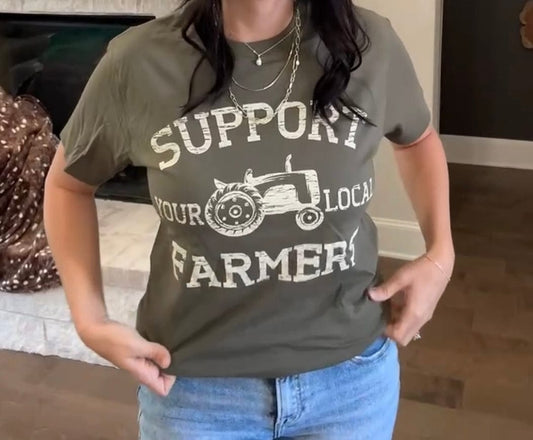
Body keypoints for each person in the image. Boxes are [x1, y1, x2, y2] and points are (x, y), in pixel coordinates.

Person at [43, 0, 455, 438]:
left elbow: (417, 139)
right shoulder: (138, 60)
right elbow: (68, 186)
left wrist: (440, 253)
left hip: (350, 383)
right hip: (194, 392)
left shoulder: (368, 43)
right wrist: (89, 319)